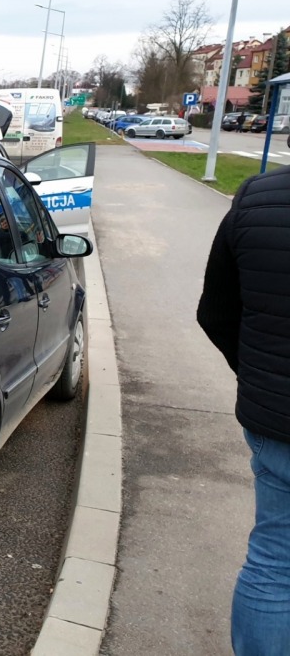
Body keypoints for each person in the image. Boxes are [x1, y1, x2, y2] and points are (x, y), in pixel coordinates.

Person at [197, 163, 290, 655]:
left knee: (275, 562)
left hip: (278, 423)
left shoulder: (257, 198)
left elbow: (214, 311)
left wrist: (261, 380)